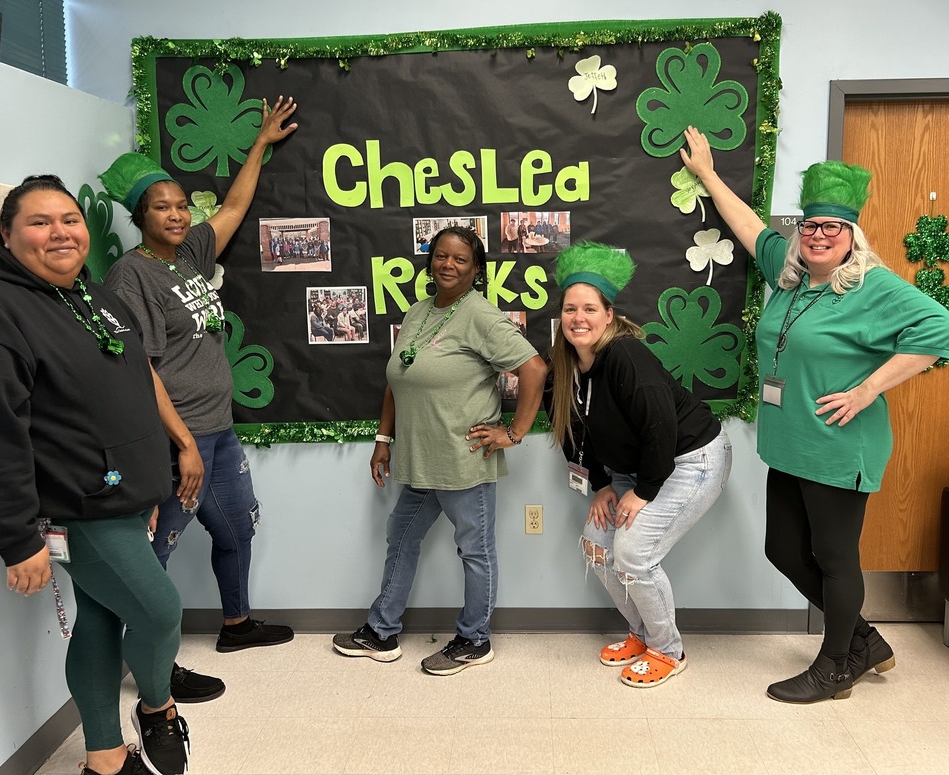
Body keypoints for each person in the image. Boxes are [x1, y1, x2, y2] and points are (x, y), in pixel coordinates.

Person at [680, 126, 949, 703]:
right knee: (783, 549)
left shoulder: (872, 287)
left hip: (837, 443)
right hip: (790, 442)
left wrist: (869, 389)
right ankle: (864, 641)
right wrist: (707, 174)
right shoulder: (790, 276)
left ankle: (835, 668)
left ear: (852, 236)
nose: (819, 235)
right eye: (810, 226)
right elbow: (749, 227)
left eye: (832, 227)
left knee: (833, 558)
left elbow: (941, 327)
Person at [0, 175, 190, 775]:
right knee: (160, 613)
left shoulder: (92, 297)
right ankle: (158, 707)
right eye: (40, 222)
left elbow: (132, 390)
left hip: (124, 496)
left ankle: (104, 759)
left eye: (70, 220)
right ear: (5, 234)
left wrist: (150, 482)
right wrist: (17, 538)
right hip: (76, 509)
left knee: (100, 616)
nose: (61, 232)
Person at [100, 95, 299, 704]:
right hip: (177, 438)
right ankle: (155, 671)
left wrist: (259, 143)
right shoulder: (131, 276)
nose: (177, 214)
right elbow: (141, 369)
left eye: (183, 204)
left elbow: (235, 207)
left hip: (219, 430)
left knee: (237, 528)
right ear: (140, 215)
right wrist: (184, 444)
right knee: (153, 556)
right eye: (162, 207)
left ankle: (236, 624)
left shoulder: (188, 255)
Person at [332, 226, 547, 675]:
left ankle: (475, 640)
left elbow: (534, 369)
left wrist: (513, 433)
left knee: (475, 551)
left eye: (460, 259)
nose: (448, 265)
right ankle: (381, 631)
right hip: (420, 459)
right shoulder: (419, 311)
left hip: (463, 460)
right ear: (430, 261)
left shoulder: (481, 316)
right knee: (401, 537)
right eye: (441, 256)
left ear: (476, 269)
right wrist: (383, 440)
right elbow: (399, 378)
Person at [546, 242, 731, 687]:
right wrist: (602, 485)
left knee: (633, 555)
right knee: (597, 545)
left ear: (609, 315)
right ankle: (642, 635)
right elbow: (573, 433)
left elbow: (659, 427)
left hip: (690, 460)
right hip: (633, 471)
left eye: (589, 308)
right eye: (570, 309)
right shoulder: (567, 365)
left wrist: (644, 490)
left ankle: (668, 650)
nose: (578, 318)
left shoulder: (626, 355)